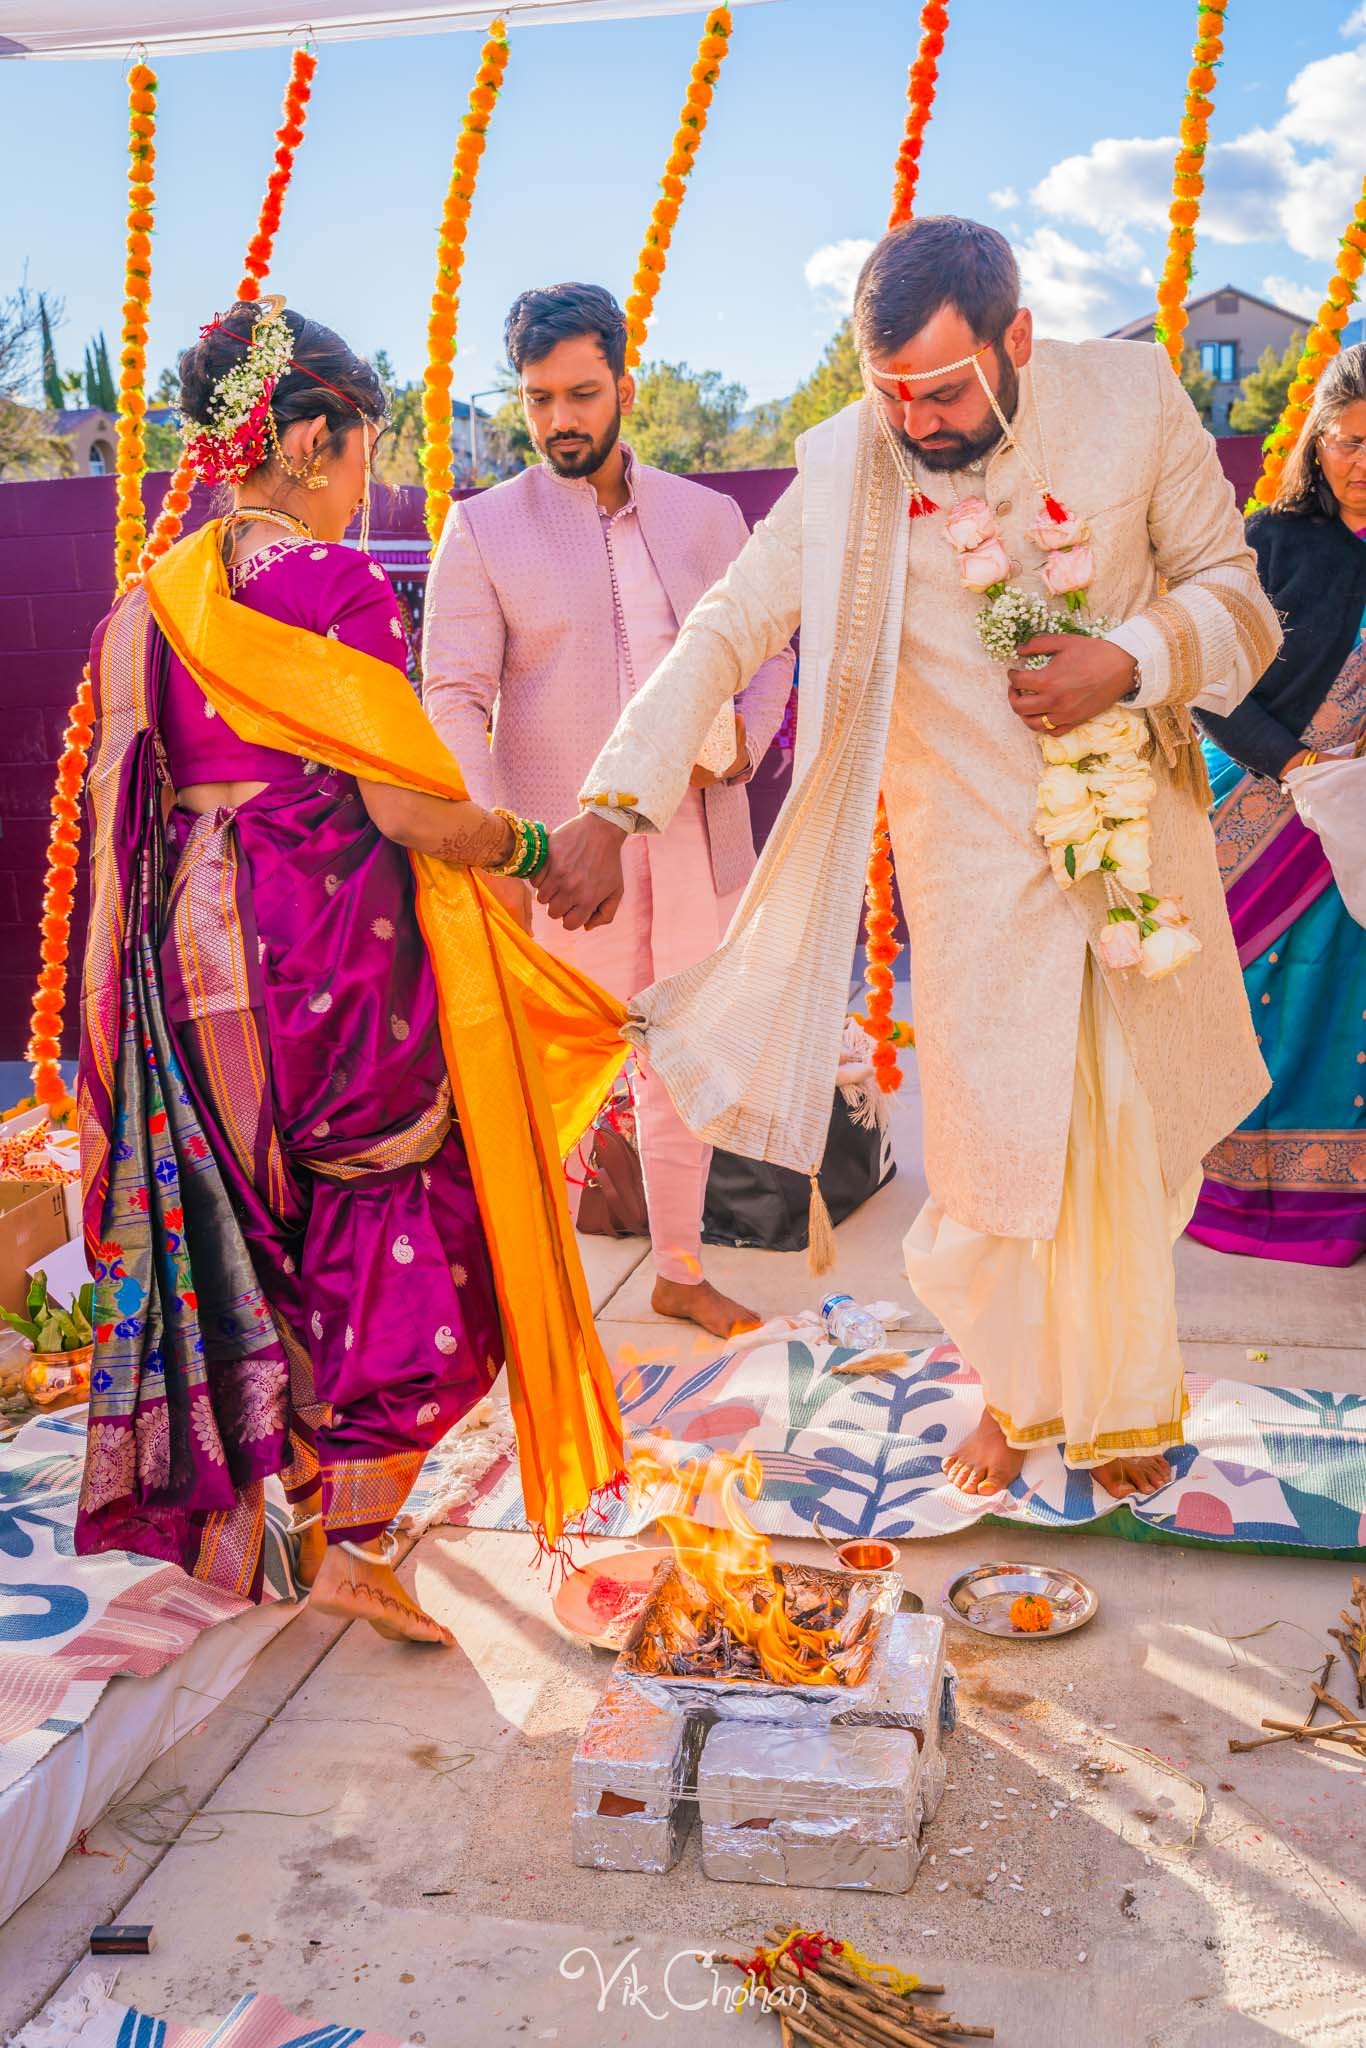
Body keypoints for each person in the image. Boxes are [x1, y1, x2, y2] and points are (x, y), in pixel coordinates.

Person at [538, 217, 1283, 1502]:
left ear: (1019, 339)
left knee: (1130, 1141)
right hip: (971, 871)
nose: (920, 421)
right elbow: (725, 630)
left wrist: (1131, 657)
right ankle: (1012, 1388)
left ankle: (1122, 1399)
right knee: (994, 1174)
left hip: (1130, 848)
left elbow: (1240, 596)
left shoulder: (1132, 395)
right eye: (893, 394)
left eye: (944, 389)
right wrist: (615, 799)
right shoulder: (849, 466)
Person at [77, 300, 626, 1642]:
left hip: (193, 967)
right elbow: (410, 813)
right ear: (312, 438)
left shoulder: (154, 607)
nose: (367, 480)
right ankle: (351, 1531)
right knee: (400, 1210)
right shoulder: (331, 586)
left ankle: (283, 1511)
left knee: (261, 1226)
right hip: (319, 947)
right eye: (364, 449)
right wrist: (532, 840)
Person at [422, 283, 794, 1340]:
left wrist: (744, 747)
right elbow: (451, 691)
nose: (560, 421)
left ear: (626, 386)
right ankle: (531, 1301)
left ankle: (678, 1268)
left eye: (582, 393)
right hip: (559, 856)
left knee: (682, 1061)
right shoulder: (484, 528)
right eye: (539, 400)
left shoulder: (707, 515)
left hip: (695, 838)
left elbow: (771, 648)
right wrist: (498, 840)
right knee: (555, 1078)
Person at [1189, 343, 1366, 1267]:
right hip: (1267, 806)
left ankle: (1343, 1204)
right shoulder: (1273, 541)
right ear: (1317, 440)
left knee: (1349, 1007)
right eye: (1350, 441)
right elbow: (1209, 680)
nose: (1364, 463)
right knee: (1261, 1001)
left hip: (1363, 829)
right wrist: (1299, 761)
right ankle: (1241, 1196)